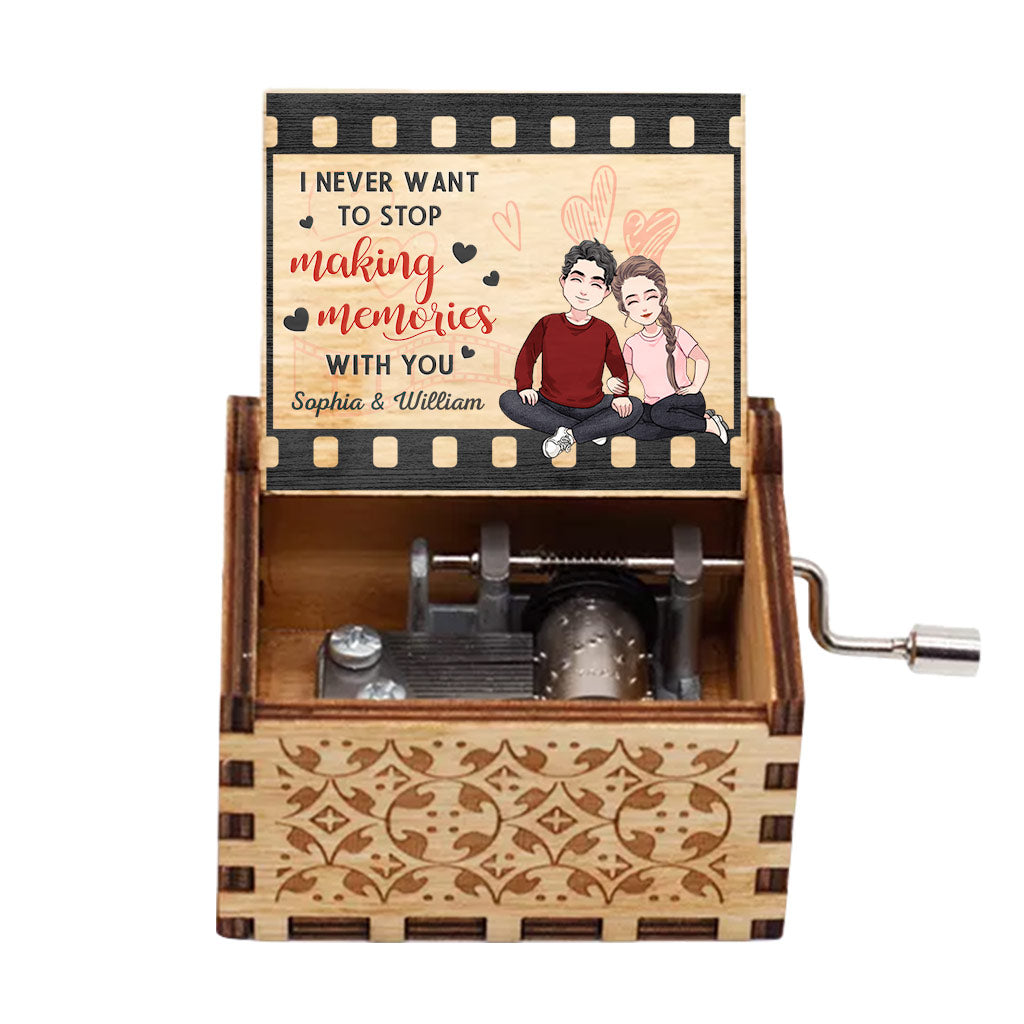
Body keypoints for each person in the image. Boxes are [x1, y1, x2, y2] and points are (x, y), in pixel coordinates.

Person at [498, 239, 642, 458]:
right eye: (577, 279)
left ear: (605, 292)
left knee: (635, 406)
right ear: (563, 281)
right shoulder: (548, 323)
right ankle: (590, 430)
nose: (584, 290)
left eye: (595, 284)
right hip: (548, 404)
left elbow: (618, 368)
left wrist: (621, 395)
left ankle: (572, 435)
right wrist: (525, 386)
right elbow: (527, 355)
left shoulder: (604, 330)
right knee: (509, 400)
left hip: (592, 406)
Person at [608, 255, 729, 443]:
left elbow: (701, 359)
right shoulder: (632, 343)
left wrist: (695, 386)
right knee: (634, 427)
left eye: (650, 297)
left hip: (685, 401)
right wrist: (614, 384)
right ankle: (696, 422)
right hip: (653, 407)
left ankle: (709, 425)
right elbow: (625, 377)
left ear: (662, 297)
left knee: (660, 413)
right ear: (625, 309)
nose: (643, 307)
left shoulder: (677, 333)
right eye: (633, 301)